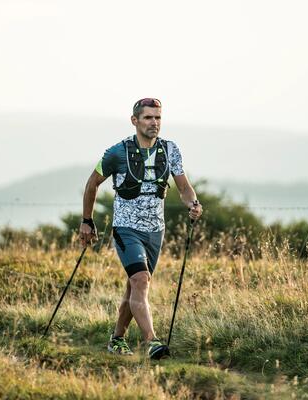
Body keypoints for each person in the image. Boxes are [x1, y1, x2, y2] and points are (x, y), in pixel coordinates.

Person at [79, 98, 203, 359]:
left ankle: (117, 339)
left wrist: (193, 202)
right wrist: (87, 220)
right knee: (140, 280)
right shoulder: (117, 152)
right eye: (148, 118)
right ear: (134, 120)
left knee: (134, 287)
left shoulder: (170, 150)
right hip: (126, 228)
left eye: (158, 118)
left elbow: (183, 187)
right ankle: (153, 342)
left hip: (156, 231)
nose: (154, 123)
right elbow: (92, 183)